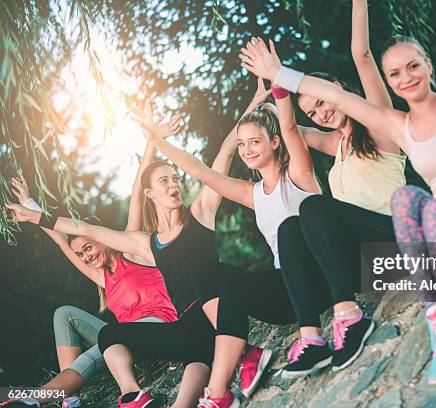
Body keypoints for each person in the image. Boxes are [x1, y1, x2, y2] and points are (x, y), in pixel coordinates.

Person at [239, 0, 436, 384]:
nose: (321, 112)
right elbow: (288, 133)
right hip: (364, 264)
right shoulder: (333, 146)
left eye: (323, 101)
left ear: (338, 91)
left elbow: (361, 54)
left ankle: (350, 317)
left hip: (396, 238)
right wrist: (276, 87)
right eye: (313, 111)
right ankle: (312, 338)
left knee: (313, 208)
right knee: (292, 226)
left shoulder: (380, 128)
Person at [6, 82, 272, 407]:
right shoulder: (146, 245)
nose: (174, 184)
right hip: (184, 333)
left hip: (206, 317)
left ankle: (247, 356)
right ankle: (84, 399)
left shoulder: (198, 216)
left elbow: (224, 154)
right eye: (164, 180)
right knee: (113, 334)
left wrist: (255, 104)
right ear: (152, 194)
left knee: (194, 343)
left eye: (176, 178)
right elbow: (81, 228)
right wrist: (36, 216)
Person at [132, 83, 343, 407]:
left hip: (324, 276)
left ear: (275, 143)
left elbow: (287, 127)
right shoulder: (252, 193)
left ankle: (216, 394)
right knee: (208, 274)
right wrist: (157, 141)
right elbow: (200, 170)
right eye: (243, 144)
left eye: (254, 142)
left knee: (287, 231)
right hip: (290, 295)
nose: (246, 149)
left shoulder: (298, 172)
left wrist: (277, 89)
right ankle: (236, 373)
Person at [4, 136, 177, 408]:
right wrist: (29, 204)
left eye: (88, 247)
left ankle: (37, 398)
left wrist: (152, 141)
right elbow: (62, 240)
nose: (86, 256)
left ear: (100, 237)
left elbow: (135, 193)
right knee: (65, 314)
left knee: (114, 334)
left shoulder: (132, 251)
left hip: (161, 327)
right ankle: (68, 396)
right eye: (82, 254)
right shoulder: (102, 278)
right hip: (124, 339)